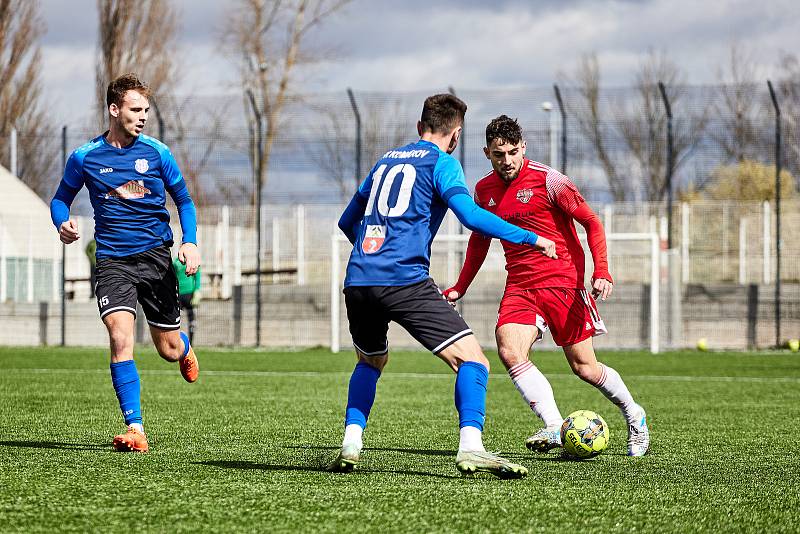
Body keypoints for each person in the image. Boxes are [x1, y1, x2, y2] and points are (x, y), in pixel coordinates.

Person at [328, 95, 558, 478]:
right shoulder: (444, 163)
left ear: (420, 128)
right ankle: (472, 447)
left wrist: (374, 254)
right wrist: (530, 238)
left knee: (370, 361)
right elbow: (470, 216)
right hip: (405, 281)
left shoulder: (384, 161)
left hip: (359, 279)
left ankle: (352, 442)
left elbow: (346, 221)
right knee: (473, 360)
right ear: (456, 134)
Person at [444, 115, 649, 457]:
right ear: (486, 152)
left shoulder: (551, 181)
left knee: (584, 367)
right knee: (509, 350)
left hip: (563, 282)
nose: (506, 161)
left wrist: (603, 271)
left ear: (523, 147)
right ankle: (554, 425)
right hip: (521, 286)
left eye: (512, 152)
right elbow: (479, 241)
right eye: (498, 154)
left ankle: (634, 413)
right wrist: (460, 286)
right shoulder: (483, 191)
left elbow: (592, 223)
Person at [49, 73, 200, 453]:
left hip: (156, 260)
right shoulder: (84, 157)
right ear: (114, 110)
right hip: (113, 260)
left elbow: (184, 200)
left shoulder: (157, 153)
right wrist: (61, 222)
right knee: (120, 337)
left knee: (165, 349)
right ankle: (135, 428)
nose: (143, 116)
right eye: (136, 109)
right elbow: (60, 199)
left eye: (146, 110)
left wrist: (191, 243)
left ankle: (182, 346)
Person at [173, 256, 201, 344]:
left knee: (191, 319)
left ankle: (191, 342)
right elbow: (173, 277)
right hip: (179, 293)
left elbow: (197, 276)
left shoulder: (192, 260)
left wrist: (197, 290)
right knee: (176, 319)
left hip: (189, 293)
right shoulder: (175, 262)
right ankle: (176, 341)